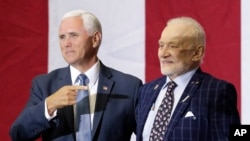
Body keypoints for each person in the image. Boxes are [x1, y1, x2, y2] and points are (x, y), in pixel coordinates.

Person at [10, 10, 142, 141]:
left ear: (95, 39)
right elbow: (18, 134)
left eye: (73, 35)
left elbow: (148, 135)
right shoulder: (44, 85)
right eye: (62, 37)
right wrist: (49, 105)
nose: (66, 44)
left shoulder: (129, 87)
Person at [136, 17, 241, 141]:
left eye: (173, 46)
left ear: (197, 53)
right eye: (161, 45)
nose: (163, 54)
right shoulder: (146, 91)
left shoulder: (216, 91)